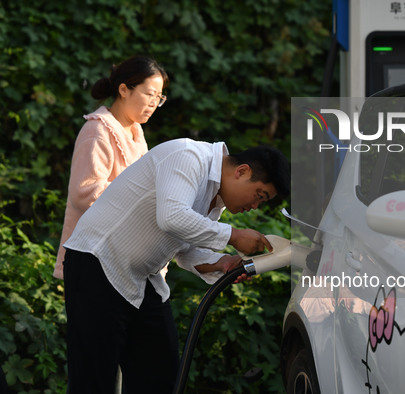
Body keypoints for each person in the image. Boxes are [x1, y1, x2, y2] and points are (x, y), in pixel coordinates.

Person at [62, 138, 290, 393]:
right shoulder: (189, 156)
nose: (255, 206)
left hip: (141, 278)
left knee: (160, 375)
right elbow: (172, 217)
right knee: (93, 381)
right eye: (259, 195)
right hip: (98, 263)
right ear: (242, 171)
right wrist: (234, 235)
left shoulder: (215, 196)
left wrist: (223, 262)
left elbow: (185, 249)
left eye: (263, 202)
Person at [53, 55, 168, 280]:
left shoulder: (136, 132)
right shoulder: (97, 131)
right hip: (95, 259)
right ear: (124, 90)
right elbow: (84, 192)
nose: (154, 103)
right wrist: (143, 197)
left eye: (159, 97)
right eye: (149, 94)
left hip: (127, 259)